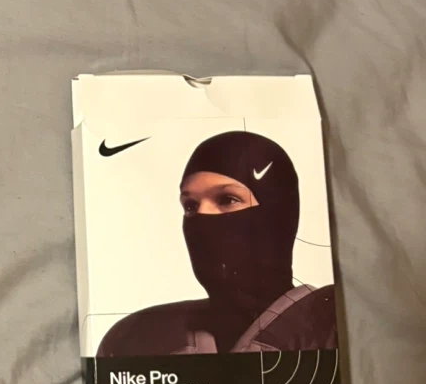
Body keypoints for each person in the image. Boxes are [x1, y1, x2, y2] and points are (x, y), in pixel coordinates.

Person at [97, 130, 338, 356]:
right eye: (190, 205)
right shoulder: (136, 337)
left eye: (227, 199)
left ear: (278, 215)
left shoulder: (336, 322)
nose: (202, 217)